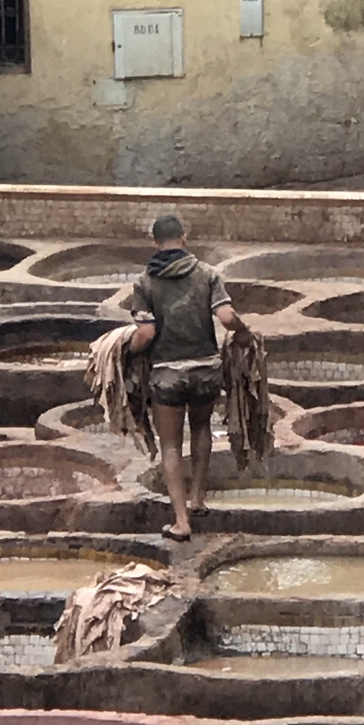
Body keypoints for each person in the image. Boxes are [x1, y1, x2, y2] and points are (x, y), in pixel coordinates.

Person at [130, 213, 250, 542]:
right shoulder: (207, 274)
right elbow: (227, 317)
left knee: (171, 447)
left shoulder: (144, 282)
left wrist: (125, 350)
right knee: (201, 429)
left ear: (155, 243)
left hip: (167, 373)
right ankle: (198, 499)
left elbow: (145, 333)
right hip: (206, 370)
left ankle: (181, 522)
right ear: (184, 237)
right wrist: (244, 332)